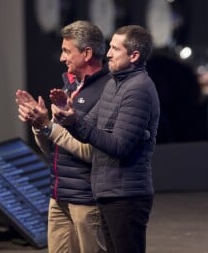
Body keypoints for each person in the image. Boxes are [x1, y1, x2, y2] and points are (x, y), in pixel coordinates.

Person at [51, 25, 160, 253]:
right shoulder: (113, 83)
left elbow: (119, 146)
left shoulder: (139, 89)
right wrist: (64, 116)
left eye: (114, 48)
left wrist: (74, 122)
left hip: (127, 196)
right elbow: (87, 123)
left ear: (134, 55)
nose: (108, 53)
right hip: (108, 192)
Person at [16, 20, 109, 253]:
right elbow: (52, 150)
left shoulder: (108, 91)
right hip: (59, 196)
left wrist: (48, 127)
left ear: (87, 53)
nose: (61, 57)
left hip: (87, 200)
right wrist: (39, 124)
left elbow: (92, 152)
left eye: (67, 51)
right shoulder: (68, 88)